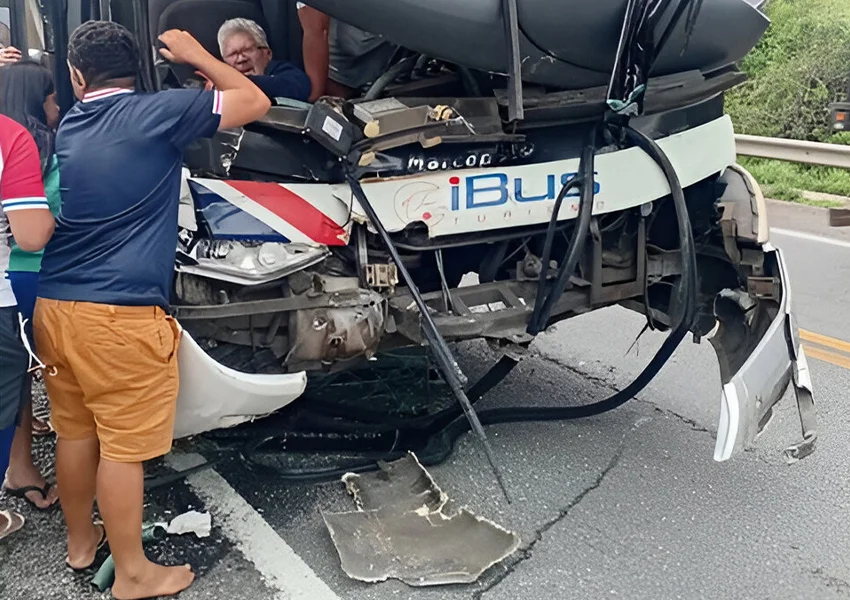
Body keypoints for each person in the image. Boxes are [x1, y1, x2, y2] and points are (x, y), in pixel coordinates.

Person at [32, 20, 269, 599]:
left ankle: (80, 542)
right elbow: (255, 100)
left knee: (74, 432)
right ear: (136, 71)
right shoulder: (156, 112)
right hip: (117, 317)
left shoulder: (72, 125)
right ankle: (134, 574)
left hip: (55, 308)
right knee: (122, 447)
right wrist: (195, 54)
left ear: (76, 76)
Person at [0, 59, 62, 512]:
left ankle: (20, 465)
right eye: (53, 97)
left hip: (13, 277)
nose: (58, 106)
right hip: (33, 274)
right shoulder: (33, 145)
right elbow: (35, 232)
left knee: (16, 375)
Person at [217, 17, 311, 102]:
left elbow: (299, 88)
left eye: (247, 50)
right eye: (233, 54)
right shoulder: (215, 88)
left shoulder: (286, 72)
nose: (241, 59)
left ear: (267, 54)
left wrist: (237, 83)